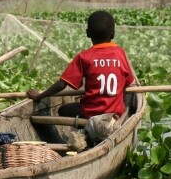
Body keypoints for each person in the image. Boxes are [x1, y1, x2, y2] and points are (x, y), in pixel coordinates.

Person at [26, 10, 136, 145]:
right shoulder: (120, 54)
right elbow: (128, 83)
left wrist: (40, 96)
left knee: (62, 110)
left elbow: (62, 84)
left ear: (88, 33)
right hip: (114, 113)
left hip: (90, 112)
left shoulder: (84, 57)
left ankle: (86, 132)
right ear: (113, 33)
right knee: (122, 103)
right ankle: (94, 131)